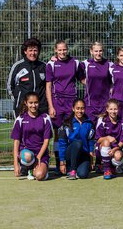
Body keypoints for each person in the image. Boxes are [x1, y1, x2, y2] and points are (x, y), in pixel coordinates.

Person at [46, 40, 81, 175]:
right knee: (58, 134)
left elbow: (84, 77)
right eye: (59, 50)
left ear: (67, 49)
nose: (62, 52)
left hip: (71, 102)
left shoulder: (75, 63)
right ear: (56, 50)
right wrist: (51, 106)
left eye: (64, 49)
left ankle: (71, 163)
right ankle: (59, 163)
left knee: (71, 132)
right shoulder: (51, 64)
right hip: (57, 102)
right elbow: (48, 86)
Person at [11, 92, 52, 181]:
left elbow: (46, 141)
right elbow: (16, 141)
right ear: (26, 103)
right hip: (27, 152)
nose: (34, 105)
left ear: (39, 103)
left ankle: (39, 170)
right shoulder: (20, 119)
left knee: (40, 176)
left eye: (36, 102)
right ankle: (28, 168)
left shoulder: (45, 118)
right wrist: (15, 164)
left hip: (41, 153)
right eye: (31, 103)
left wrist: (39, 157)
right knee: (27, 156)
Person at [7, 38, 48, 116]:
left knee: (40, 128)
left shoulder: (44, 66)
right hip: (22, 107)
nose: (33, 53)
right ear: (25, 51)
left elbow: (49, 86)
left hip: (41, 107)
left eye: (35, 50)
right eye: (30, 50)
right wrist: (18, 99)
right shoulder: (18, 66)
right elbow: (10, 86)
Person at [58, 99, 95, 180]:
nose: (80, 111)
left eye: (82, 108)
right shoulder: (67, 123)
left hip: (83, 154)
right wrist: (62, 163)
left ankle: (76, 169)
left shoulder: (89, 124)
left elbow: (91, 142)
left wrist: (91, 160)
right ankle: (72, 170)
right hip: (70, 154)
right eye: (77, 108)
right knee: (78, 143)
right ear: (73, 109)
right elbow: (62, 144)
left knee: (83, 175)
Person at [79, 41, 113, 125]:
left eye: (100, 51)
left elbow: (117, 75)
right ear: (91, 51)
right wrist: (83, 80)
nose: (98, 53)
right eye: (96, 51)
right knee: (90, 128)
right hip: (90, 103)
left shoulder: (109, 64)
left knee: (103, 127)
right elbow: (73, 67)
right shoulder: (86, 63)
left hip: (105, 102)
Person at [95, 99, 123, 179]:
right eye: (111, 109)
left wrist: (114, 150)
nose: (113, 111)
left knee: (118, 156)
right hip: (102, 148)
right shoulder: (101, 120)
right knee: (106, 142)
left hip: (116, 148)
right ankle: (107, 170)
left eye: (115, 109)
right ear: (107, 109)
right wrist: (107, 137)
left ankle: (112, 168)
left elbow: (122, 142)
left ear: (118, 109)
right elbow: (98, 139)